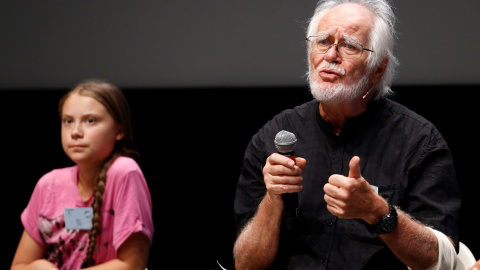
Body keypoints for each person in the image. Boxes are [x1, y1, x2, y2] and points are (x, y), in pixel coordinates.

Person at [233, 0, 462, 269]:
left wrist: (378, 213)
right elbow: (246, 265)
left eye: (350, 46)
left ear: (378, 68)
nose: (330, 56)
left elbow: (441, 261)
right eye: (323, 42)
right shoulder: (274, 135)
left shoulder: (420, 141)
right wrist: (273, 199)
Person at [10, 79, 154, 270]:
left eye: (90, 120)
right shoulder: (49, 184)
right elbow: (19, 265)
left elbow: (132, 265)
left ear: (119, 130)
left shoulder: (124, 172)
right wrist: (36, 267)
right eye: (68, 121)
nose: (76, 132)